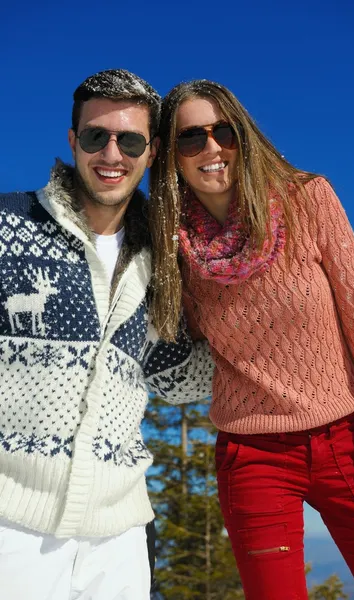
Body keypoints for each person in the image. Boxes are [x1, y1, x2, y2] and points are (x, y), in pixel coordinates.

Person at [149, 79, 354, 600]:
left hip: (351, 443)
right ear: (171, 156)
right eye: (191, 138)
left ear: (245, 135)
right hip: (252, 456)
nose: (212, 148)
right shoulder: (170, 248)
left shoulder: (309, 200)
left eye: (225, 132)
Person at [0, 69, 213, 600]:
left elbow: (179, 377)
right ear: (74, 141)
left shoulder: (163, 260)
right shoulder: (8, 226)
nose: (111, 153)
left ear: (153, 150)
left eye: (130, 140)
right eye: (96, 136)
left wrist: (263, 341)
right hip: (11, 526)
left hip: (119, 539)